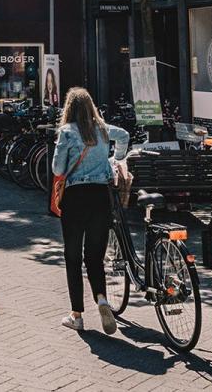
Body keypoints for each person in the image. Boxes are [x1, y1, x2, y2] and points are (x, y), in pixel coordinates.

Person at [51, 86, 129, 335]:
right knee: (94, 257)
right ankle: (102, 300)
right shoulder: (104, 129)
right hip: (100, 196)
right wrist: (114, 159)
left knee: (72, 256)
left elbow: (57, 169)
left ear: (69, 108)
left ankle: (77, 315)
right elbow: (125, 135)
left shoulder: (66, 132)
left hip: (75, 197)